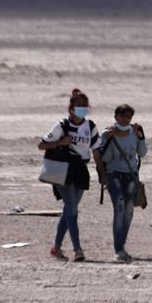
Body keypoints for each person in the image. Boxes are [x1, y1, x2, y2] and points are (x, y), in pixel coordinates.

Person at [38, 88, 100, 262]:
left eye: (84, 105)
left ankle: (56, 248)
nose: (82, 108)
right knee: (72, 210)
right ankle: (78, 250)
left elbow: (96, 151)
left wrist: (102, 172)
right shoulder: (62, 125)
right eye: (79, 105)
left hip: (81, 170)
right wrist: (60, 142)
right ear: (71, 108)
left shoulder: (90, 127)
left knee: (69, 210)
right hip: (63, 169)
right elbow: (42, 145)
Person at [93, 104, 148, 263]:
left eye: (128, 117)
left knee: (129, 210)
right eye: (122, 116)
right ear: (116, 117)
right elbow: (104, 158)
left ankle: (121, 244)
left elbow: (142, 153)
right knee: (119, 207)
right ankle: (118, 249)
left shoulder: (135, 132)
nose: (125, 119)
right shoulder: (107, 133)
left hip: (131, 175)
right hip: (113, 174)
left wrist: (141, 137)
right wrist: (109, 141)